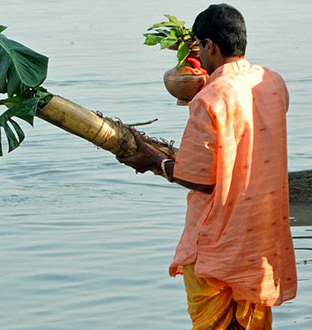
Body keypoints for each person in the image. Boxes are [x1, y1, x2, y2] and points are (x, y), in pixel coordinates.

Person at [118, 4, 297, 329]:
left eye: (200, 47)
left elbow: (197, 180)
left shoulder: (210, 99)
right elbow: (242, 136)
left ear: (210, 46)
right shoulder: (273, 82)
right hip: (261, 239)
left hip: (221, 244)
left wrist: (154, 161)